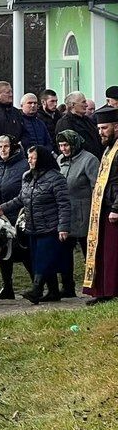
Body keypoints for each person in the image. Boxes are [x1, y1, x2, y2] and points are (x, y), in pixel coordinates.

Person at [0, 146, 71, 305]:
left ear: (41, 158)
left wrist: (63, 227)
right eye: (29, 157)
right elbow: (21, 198)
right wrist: (3, 208)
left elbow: (64, 204)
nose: (29, 161)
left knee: (43, 259)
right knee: (37, 259)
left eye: (33, 158)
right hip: (32, 227)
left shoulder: (56, 178)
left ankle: (36, 290)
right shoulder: (28, 177)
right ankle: (53, 291)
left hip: (50, 226)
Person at [57, 130, 99, 298]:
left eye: (66, 145)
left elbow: (96, 186)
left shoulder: (89, 160)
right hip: (65, 214)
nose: (63, 149)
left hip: (84, 213)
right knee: (64, 252)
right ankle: (67, 286)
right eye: (60, 146)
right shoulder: (60, 160)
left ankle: (95, 286)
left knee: (88, 252)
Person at [84, 105, 118, 306]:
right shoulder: (108, 148)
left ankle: (112, 290)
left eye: (104, 128)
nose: (100, 133)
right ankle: (104, 290)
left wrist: (116, 208)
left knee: (113, 252)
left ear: (116, 126)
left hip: (113, 208)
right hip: (103, 207)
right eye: (98, 129)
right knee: (102, 251)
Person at [0, 134, 28, 299]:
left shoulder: (24, 165)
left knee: (24, 251)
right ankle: (7, 286)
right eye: (0, 147)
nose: (3, 150)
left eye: (6, 146)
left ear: (13, 147)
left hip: (17, 213)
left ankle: (39, 284)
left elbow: (24, 193)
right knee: (3, 252)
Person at [56, 92, 103, 158]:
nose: (86, 105)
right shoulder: (65, 123)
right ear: (73, 105)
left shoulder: (87, 120)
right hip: (78, 163)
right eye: (83, 102)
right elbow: (66, 147)